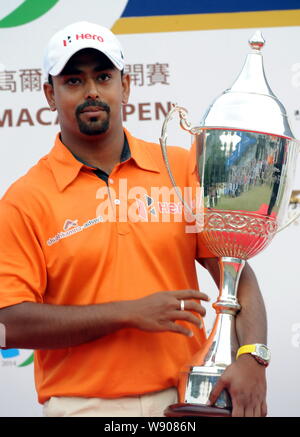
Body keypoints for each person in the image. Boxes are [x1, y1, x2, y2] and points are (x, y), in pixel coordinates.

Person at [0, 21, 268, 417]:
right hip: (83, 407)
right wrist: (128, 313)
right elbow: (9, 323)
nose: (92, 91)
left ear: (125, 86)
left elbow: (236, 272)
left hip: (187, 400)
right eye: (73, 80)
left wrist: (252, 356)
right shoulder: (25, 200)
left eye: (103, 77)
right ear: (49, 94)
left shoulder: (178, 168)